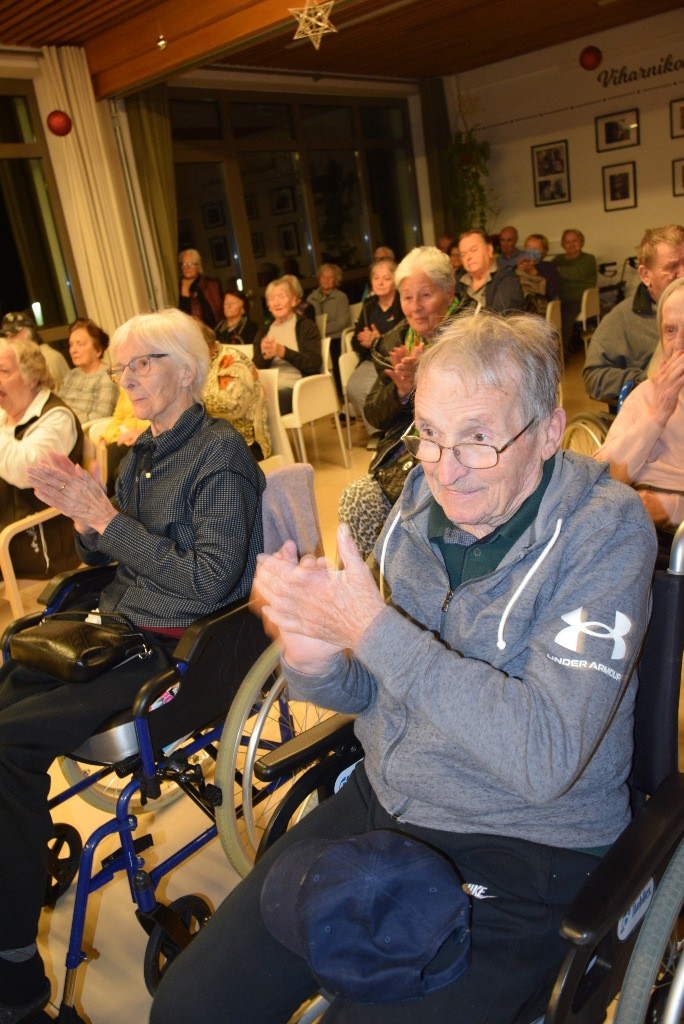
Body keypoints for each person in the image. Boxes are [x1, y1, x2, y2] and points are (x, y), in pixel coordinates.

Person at [151, 309, 656, 1024]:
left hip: (524, 851)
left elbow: (546, 757)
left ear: (548, 431)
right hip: (385, 808)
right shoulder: (418, 506)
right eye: (429, 434)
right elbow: (375, 687)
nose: (445, 469)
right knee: (189, 1008)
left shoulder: (605, 530)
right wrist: (315, 657)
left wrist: (372, 628)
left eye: (478, 439)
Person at [0, 308, 265, 1024]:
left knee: (7, 750)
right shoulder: (140, 450)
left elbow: (208, 585)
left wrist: (108, 520)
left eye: (143, 363)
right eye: (122, 368)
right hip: (115, 625)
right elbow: (106, 551)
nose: (128, 378)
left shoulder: (219, 455)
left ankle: (15, 979)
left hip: (171, 648)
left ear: (187, 368)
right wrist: (87, 517)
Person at [338, 246, 462, 557]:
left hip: (460, 454)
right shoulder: (395, 342)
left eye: (425, 295)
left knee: (426, 506)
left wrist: (430, 383)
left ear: (449, 292)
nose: (415, 307)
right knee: (356, 498)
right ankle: (373, 584)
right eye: (407, 297)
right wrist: (402, 391)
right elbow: (374, 414)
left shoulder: (476, 333)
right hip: (406, 457)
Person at [595, 276, 684, 559]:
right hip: (630, 523)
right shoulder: (646, 395)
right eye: (670, 330)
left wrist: (672, 508)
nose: (678, 344)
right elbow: (600, 476)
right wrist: (657, 415)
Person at [0, 335, 82, 579]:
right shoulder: (4, 416)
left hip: (39, 544)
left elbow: (26, 472)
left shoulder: (57, 418)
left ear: (32, 376)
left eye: (4, 371)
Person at [583, 224, 684, 408]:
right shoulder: (621, 320)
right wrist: (648, 380)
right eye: (672, 267)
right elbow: (594, 378)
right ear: (646, 275)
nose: (683, 273)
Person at [346, 258, 403, 446]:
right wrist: (365, 341)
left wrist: (380, 339)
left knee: (383, 389)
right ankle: (378, 432)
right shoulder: (368, 306)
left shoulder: (403, 302)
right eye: (376, 278)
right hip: (371, 359)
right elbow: (355, 341)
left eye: (386, 278)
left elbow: (404, 336)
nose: (380, 283)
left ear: (395, 280)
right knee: (353, 387)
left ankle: (396, 430)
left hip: (394, 360)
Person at [253, 277, 322, 414]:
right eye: (272, 299)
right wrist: (265, 356)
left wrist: (284, 352)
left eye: (282, 297)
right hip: (267, 388)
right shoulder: (263, 332)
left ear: (293, 301)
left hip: (297, 387)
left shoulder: (306, 326)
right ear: (268, 305)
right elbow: (254, 368)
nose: (277, 302)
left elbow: (314, 363)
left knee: (262, 407)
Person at [203, 344, 272, 461]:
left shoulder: (233, 359)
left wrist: (196, 401)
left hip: (246, 444)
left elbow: (235, 408)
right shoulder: (201, 362)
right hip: (218, 440)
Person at [57, 318, 118, 424]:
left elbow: (102, 417)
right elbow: (58, 407)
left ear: (98, 350)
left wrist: (67, 421)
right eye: (71, 345)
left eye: (80, 344)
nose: (73, 350)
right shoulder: (71, 375)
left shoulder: (110, 374)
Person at [307, 264, 351, 398]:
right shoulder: (311, 298)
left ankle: (339, 395)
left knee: (334, 353)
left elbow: (342, 322)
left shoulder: (341, 297)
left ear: (336, 280)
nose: (326, 280)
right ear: (319, 278)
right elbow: (309, 322)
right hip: (317, 338)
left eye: (330, 277)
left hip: (335, 338)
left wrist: (322, 330)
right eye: (323, 277)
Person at [456, 230, 525, 313]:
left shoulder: (508, 280)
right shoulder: (458, 280)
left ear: (489, 250)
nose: (468, 257)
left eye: (474, 250)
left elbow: (500, 317)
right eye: (463, 255)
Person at [552, 230, 597, 354]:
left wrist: (559, 270)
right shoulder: (557, 260)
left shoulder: (588, 259)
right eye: (567, 242)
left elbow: (577, 273)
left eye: (574, 241)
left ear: (581, 242)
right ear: (563, 244)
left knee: (563, 315)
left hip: (580, 300)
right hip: (559, 299)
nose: (571, 245)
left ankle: (560, 353)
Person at [1, 312, 69, 390]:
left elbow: (53, 394)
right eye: (7, 335)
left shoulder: (49, 358)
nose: (9, 339)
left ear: (28, 333)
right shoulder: (22, 360)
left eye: (14, 334)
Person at [516, 234, 561, 316]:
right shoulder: (519, 265)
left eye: (536, 249)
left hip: (541, 308)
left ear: (544, 251)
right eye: (529, 248)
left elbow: (552, 291)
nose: (532, 252)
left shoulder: (550, 267)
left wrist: (533, 272)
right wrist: (518, 269)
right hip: (519, 305)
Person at [177, 249, 223, 329]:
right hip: (193, 331)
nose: (187, 267)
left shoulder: (212, 285)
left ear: (198, 266)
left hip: (216, 330)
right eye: (184, 264)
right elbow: (183, 317)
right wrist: (185, 290)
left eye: (191, 264)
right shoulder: (178, 288)